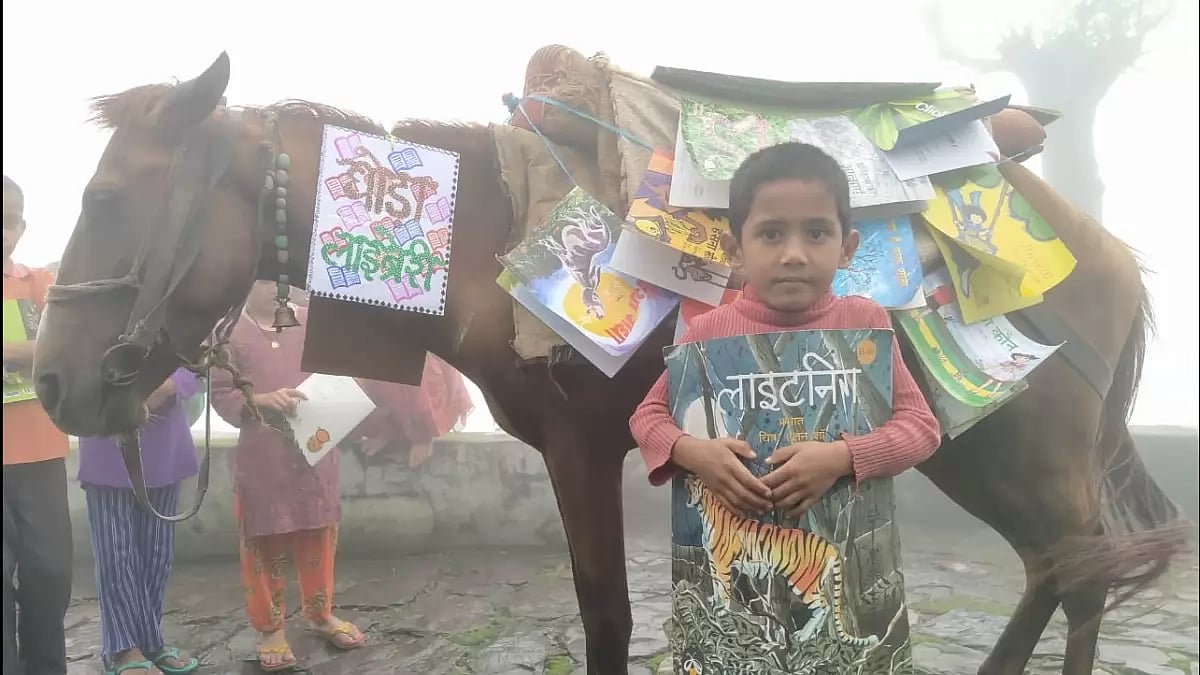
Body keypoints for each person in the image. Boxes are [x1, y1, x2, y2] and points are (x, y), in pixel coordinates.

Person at [629, 143, 941, 517]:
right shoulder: (709, 332)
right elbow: (647, 418)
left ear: (847, 248)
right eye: (772, 234)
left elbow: (920, 427)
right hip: (737, 557)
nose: (794, 254)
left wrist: (843, 458)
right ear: (735, 251)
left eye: (816, 232)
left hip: (844, 556)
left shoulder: (864, 324)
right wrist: (692, 452)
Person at [210, 281, 364, 672]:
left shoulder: (313, 322)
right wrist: (259, 399)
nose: (279, 288)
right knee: (264, 542)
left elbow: (343, 370)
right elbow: (221, 394)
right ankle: (270, 628)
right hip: (264, 454)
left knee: (319, 533)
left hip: (316, 446)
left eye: (285, 279)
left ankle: (320, 613)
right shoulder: (226, 332)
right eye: (264, 279)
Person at [77, 367, 201, 675]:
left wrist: (170, 384)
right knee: (115, 552)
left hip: (165, 440)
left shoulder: (179, 315)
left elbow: (200, 356)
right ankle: (120, 648)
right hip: (108, 430)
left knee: (157, 553)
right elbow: (76, 359)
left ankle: (150, 642)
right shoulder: (91, 316)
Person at [3, 175, 73, 675]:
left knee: (50, 573)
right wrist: (25, 352)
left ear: (22, 226)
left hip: (40, 453)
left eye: (9, 220)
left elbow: (60, 345)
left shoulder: (40, 284)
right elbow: (40, 348)